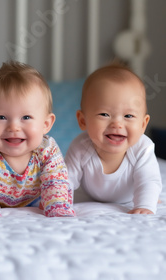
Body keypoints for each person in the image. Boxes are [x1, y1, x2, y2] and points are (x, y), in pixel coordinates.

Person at [0, 61, 75, 217]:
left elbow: (55, 181)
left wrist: (57, 206)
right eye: (1, 117)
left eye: (26, 117)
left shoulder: (47, 149)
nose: (14, 127)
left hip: (32, 200)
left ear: (46, 124)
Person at [65, 63, 162, 214]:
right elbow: (65, 180)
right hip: (89, 197)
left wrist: (145, 205)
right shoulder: (80, 147)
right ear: (83, 121)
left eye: (128, 116)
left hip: (129, 199)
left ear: (143, 124)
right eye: (104, 114)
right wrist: (57, 202)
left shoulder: (142, 148)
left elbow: (149, 180)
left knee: (149, 191)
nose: (117, 124)